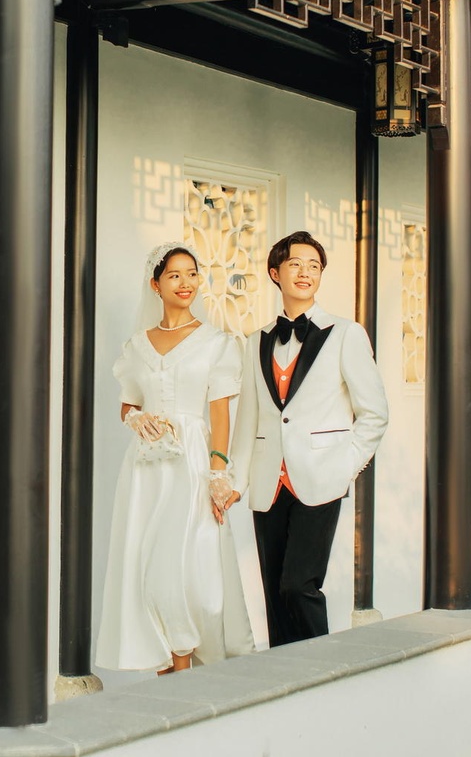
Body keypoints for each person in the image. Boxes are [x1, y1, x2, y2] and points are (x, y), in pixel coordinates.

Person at [95, 242, 255, 673]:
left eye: (191, 274)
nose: (186, 283)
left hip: (193, 463)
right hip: (146, 468)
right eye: (174, 275)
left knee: (188, 568)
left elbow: (220, 414)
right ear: (156, 284)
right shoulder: (137, 345)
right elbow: (128, 404)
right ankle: (169, 661)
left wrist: (218, 473)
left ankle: (188, 660)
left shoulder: (216, 342)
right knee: (146, 565)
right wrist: (136, 419)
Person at [229, 231, 388, 646]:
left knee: (299, 586)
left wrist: (345, 465)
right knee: (274, 596)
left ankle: (327, 668)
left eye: (314, 266)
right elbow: (248, 420)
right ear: (275, 273)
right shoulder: (256, 341)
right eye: (296, 264)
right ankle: (283, 677)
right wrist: (234, 482)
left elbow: (374, 413)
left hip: (321, 478)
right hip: (269, 482)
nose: (305, 273)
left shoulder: (345, 333)